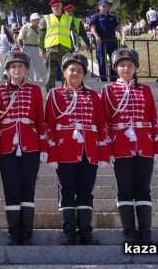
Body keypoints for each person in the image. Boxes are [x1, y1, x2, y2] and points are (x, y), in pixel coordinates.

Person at [45, 52, 110, 245]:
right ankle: (68, 233)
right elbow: (48, 125)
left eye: (80, 71)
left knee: (86, 191)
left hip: (89, 151)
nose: (75, 73)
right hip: (65, 150)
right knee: (66, 191)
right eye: (71, 70)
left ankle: (85, 232)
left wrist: (103, 153)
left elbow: (102, 124)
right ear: (64, 72)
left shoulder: (93, 96)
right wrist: (52, 153)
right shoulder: (54, 94)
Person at [101, 48, 158, 245]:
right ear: (115, 68)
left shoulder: (145, 90)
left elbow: (153, 119)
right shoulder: (108, 90)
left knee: (144, 190)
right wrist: (107, 148)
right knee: (125, 189)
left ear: (135, 67)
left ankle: (145, 233)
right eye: (122, 65)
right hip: (120, 145)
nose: (126, 68)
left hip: (144, 145)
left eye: (130, 65)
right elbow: (104, 122)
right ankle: (129, 233)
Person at [0, 52, 47, 245]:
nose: (17, 70)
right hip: (6, 145)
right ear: (7, 70)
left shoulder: (34, 90)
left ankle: (27, 231)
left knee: (28, 188)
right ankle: (13, 231)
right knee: (10, 188)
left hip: (30, 144)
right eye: (13, 66)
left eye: (21, 66)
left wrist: (44, 146)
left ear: (26, 69)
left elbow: (41, 119)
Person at [39, 0, 82, 93]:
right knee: (50, 73)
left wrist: (76, 48)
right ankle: (49, 93)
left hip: (65, 49)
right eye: (53, 6)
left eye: (57, 5)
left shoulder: (69, 19)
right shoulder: (45, 19)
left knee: (66, 72)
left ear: (61, 6)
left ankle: (65, 91)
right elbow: (41, 35)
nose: (55, 8)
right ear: (51, 8)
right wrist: (41, 49)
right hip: (51, 48)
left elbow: (74, 35)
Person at [90, 0, 121, 82]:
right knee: (102, 60)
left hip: (112, 41)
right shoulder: (96, 17)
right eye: (103, 6)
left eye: (106, 5)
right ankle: (103, 78)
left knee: (114, 59)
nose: (105, 7)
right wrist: (96, 36)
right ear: (99, 7)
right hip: (101, 41)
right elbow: (92, 28)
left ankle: (113, 78)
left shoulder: (112, 17)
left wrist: (122, 37)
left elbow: (118, 27)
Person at [18, 13, 46, 83]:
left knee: (39, 65)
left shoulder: (41, 27)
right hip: (27, 47)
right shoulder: (26, 27)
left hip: (38, 48)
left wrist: (43, 49)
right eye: (37, 19)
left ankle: (39, 81)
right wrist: (21, 47)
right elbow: (19, 39)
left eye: (38, 19)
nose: (38, 20)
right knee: (27, 64)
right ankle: (26, 80)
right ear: (32, 20)